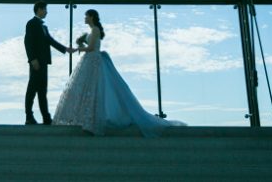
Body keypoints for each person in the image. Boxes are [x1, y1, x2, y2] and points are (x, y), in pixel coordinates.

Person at [53, 9, 186, 137]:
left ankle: (90, 122)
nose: (85, 18)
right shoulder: (93, 30)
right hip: (91, 62)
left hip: (92, 61)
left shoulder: (94, 29)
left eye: (86, 16)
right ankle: (88, 121)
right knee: (92, 90)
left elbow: (92, 47)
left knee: (93, 90)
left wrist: (77, 48)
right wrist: (81, 41)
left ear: (91, 17)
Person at [24, 0, 71, 125]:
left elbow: (51, 41)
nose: (46, 12)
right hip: (36, 62)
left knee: (42, 90)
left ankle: (46, 117)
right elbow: (28, 42)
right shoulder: (32, 23)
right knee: (32, 89)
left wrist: (65, 49)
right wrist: (32, 58)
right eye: (45, 9)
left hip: (43, 62)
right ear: (39, 9)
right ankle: (29, 116)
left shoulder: (43, 26)